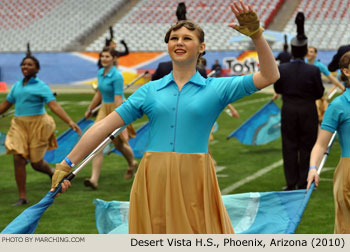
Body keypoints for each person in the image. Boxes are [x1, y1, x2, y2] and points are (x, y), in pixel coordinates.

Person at [51, 1, 279, 234]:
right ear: (168, 46)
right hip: (153, 177)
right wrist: (66, 163)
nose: (179, 42)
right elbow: (103, 126)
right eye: (174, 38)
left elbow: (270, 75)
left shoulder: (217, 88)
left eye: (187, 38)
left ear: (202, 47)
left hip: (195, 177)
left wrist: (257, 35)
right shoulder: (149, 91)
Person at [0, 55, 81, 206]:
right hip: (19, 125)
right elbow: (5, 104)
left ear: (36, 69)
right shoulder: (17, 86)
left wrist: (69, 121)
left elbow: (53, 106)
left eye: (29, 65)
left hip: (38, 125)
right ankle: (22, 197)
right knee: (18, 158)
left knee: (36, 164)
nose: (25, 67)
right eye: (23, 64)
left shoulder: (41, 86)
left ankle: (51, 173)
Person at [274, 12, 324, 191]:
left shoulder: (282, 68)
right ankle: (304, 181)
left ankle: (291, 182)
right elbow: (319, 92)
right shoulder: (313, 70)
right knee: (307, 145)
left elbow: (277, 89)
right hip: (307, 110)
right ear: (305, 51)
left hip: (288, 109)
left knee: (289, 145)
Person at [307, 51, 350, 234]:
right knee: (345, 228)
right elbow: (320, 145)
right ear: (346, 71)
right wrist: (312, 168)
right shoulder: (338, 105)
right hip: (348, 172)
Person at [84, 46, 138, 189]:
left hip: (117, 108)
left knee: (120, 144)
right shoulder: (101, 72)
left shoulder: (117, 76)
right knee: (97, 142)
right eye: (102, 56)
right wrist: (90, 109)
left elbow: (118, 99)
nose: (104, 59)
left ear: (114, 59)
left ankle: (132, 163)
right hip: (103, 109)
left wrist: (120, 118)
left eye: (107, 56)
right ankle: (94, 180)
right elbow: (100, 94)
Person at [306, 46, 346, 123]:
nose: (309, 53)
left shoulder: (319, 65)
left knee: (318, 119)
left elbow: (332, 78)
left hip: (316, 96)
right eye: (307, 51)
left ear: (315, 54)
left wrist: (343, 88)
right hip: (305, 96)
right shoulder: (303, 64)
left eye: (311, 51)